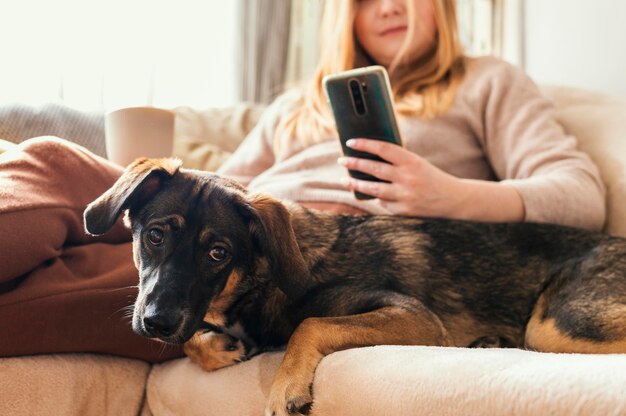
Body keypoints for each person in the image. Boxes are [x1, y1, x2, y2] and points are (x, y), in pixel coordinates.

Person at [0, 0, 605, 362]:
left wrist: (450, 193)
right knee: (53, 159)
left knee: (41, 268)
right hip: (204, 230)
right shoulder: (297, 104)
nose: (389, 7)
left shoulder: (485, 83)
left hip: (294, 254)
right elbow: (223, 186)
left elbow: (581, 193)